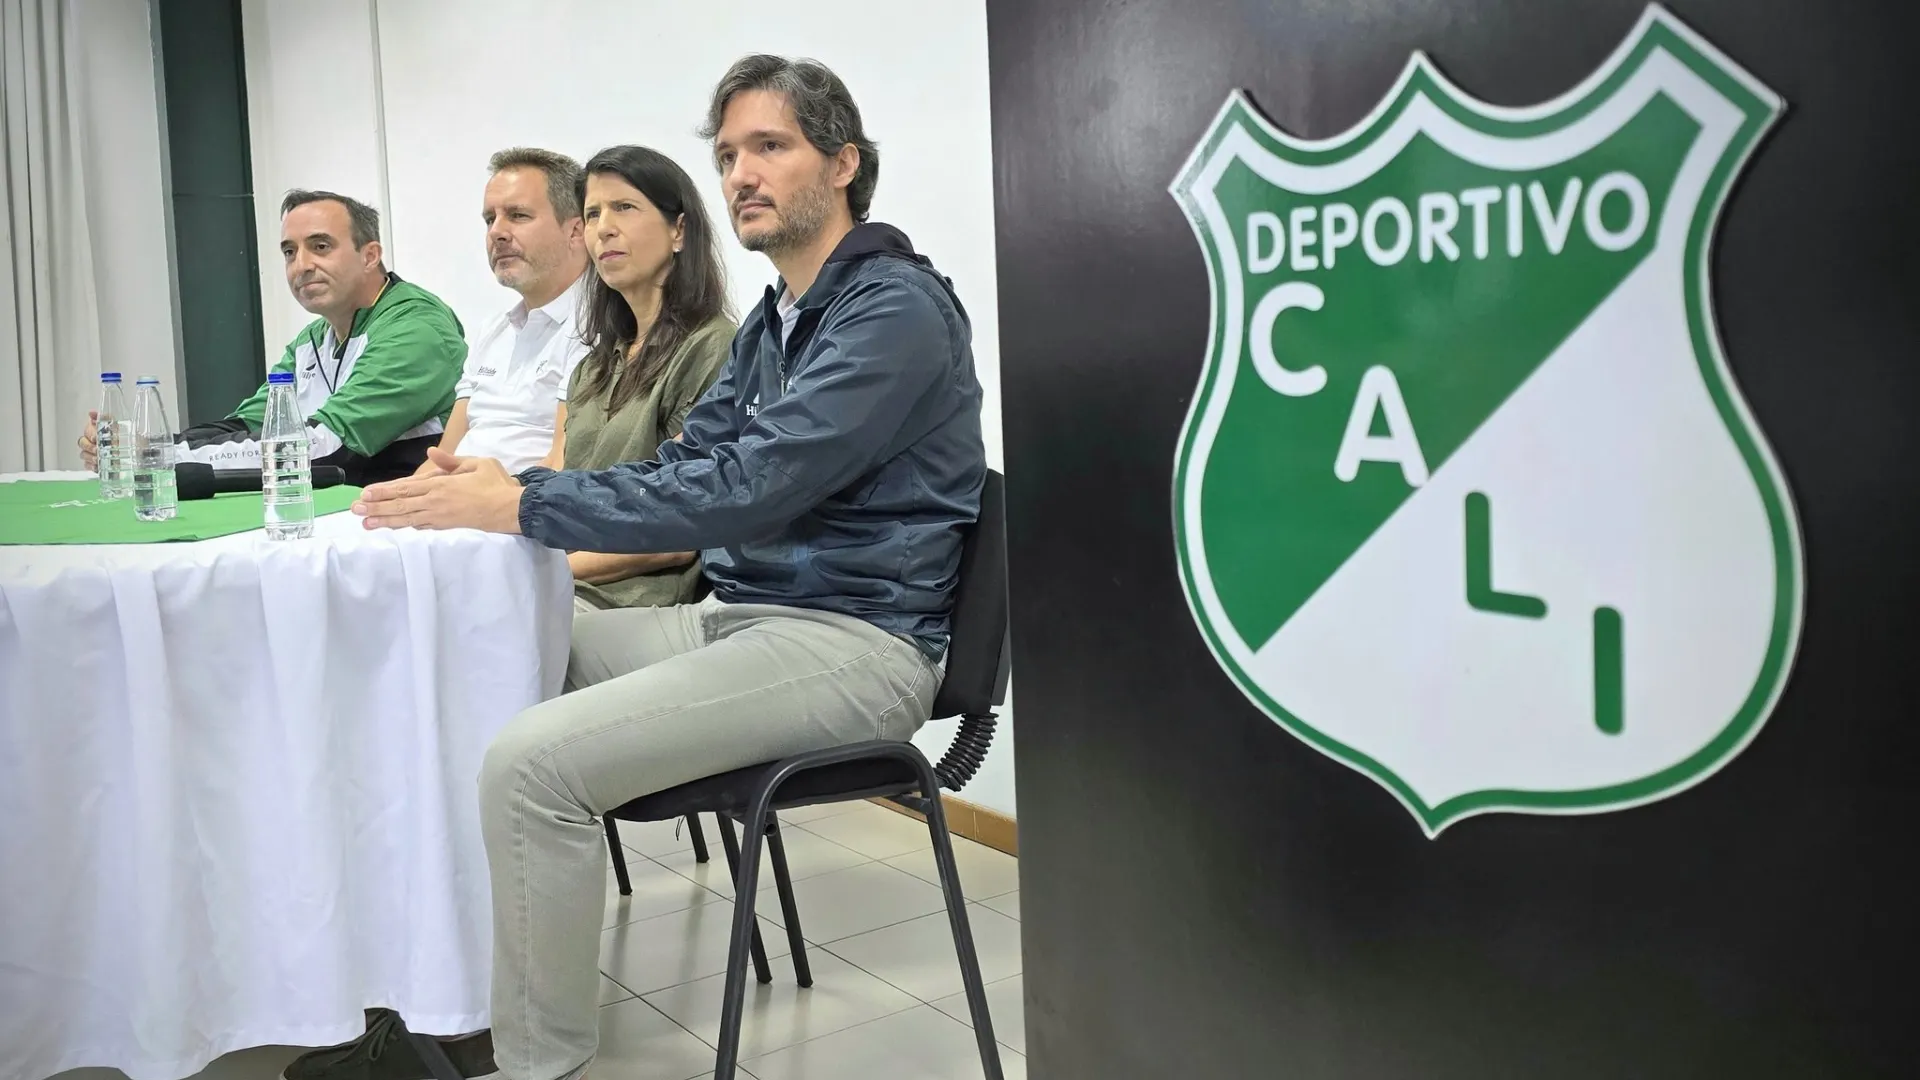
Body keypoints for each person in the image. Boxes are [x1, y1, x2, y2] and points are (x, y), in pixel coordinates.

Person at [351, 53, 986, 1080]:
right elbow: (690, 465)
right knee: (479, 659)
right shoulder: (780, 316)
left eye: (770, 147)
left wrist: (522, 504)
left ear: (845, 164)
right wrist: (517, 495)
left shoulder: (893, 311)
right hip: (749, 618)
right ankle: (446, 1004)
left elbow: (749, 486)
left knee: (531, 762)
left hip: (860, 645)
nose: (740, 171)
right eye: (729, 152)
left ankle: (535, 1062)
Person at [80, 191, 467, 485]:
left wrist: (160, 455)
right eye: (289, 252)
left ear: (369, 256)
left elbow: (324, 445)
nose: (302, 266)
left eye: (320, 246)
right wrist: (154, 443)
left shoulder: (417, 328)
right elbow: (251, 423)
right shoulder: (312, 340)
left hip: (405, 535)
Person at [560, 144, 735, 613]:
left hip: (632, 604)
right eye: (592, 214)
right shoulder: (593, 365)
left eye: (624, 207)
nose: (603, 228)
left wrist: (549, 570)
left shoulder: (713, 346)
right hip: (562, 586)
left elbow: (678, 533)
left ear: (679, 230)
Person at [423, 149, 593, 477]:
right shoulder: (494, 330)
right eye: (490, 219)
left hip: (520, 514)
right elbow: (443, 457)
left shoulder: (595, 324)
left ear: (575, 231)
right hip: (456, 508)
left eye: (518, 215)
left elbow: (560, 467)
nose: (496, 233)